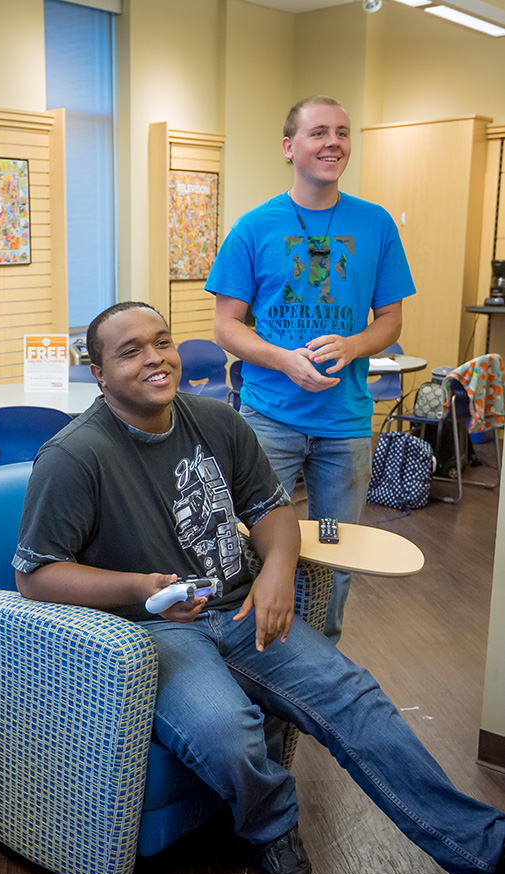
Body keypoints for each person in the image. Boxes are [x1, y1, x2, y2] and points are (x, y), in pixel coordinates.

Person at [13, 301, 504, 874]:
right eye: (131, 351)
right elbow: (36, 578)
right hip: (148, 635)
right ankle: (270, 824)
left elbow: (271, 511)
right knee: (229, 733)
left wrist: (277, 568)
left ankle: (487, 853)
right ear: (99, 372)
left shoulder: (217, 421)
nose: (155, 359)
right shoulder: (74, 457)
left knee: (358, 703)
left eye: (161, 342)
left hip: (242, 609)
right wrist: (140, 588)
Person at [205, 95, 415, 644]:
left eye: (343, 133)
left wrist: (351, 347)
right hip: (269, 419)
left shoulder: (375, 224)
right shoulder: (254, 228)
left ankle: (320, 664)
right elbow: (226, 326)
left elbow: (390, 320)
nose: (333, 143)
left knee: (335, 560)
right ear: (289, 147)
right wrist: (283, 360)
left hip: (345, 425)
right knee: (256, 549)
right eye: (319, 132)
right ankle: (258, 662)